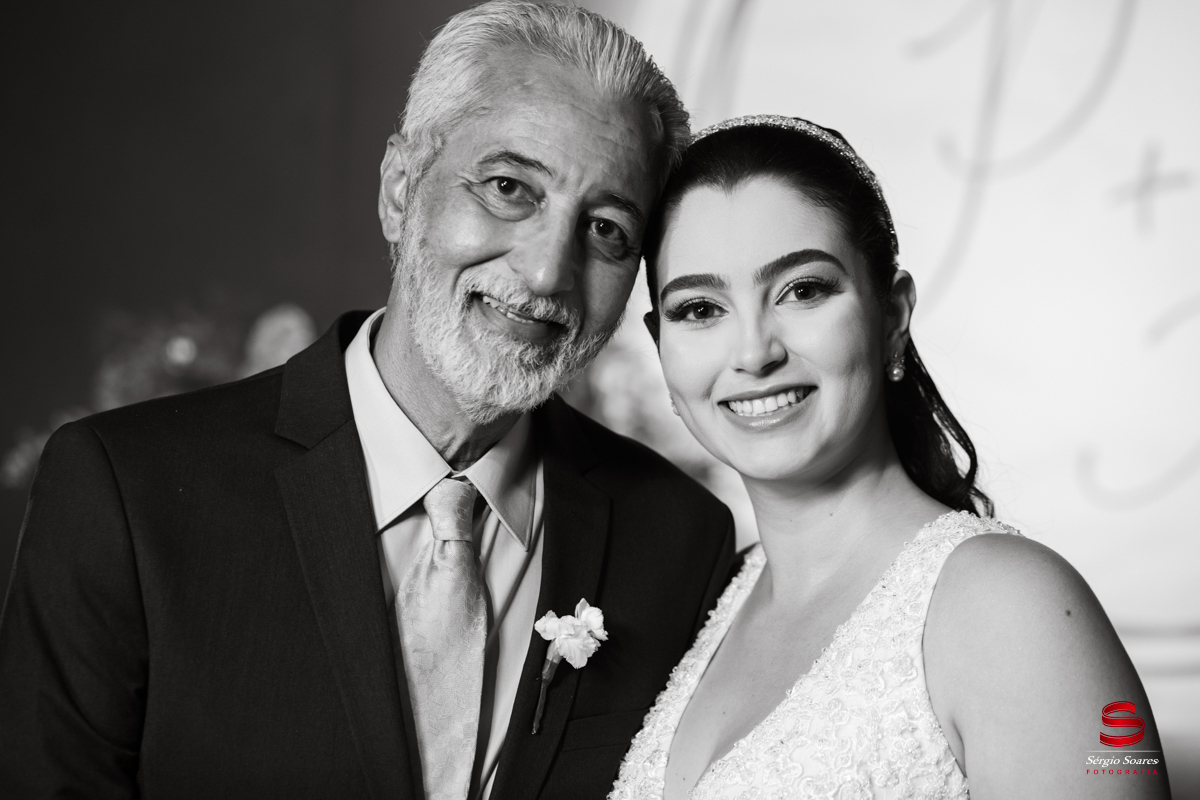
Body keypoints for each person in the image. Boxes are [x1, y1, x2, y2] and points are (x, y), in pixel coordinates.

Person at [0, 4, 737, 799]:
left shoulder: (677, 541)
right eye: (508, 189)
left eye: (606, 230)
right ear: (399, 190)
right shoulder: (128, 494)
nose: (546, 272)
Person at [609, 116, 1169, 799]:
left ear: (893, 315)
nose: (753, 353)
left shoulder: (1013, 608)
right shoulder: (709, 605)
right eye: (700, 309)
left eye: (803, 290)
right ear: (661, 345)